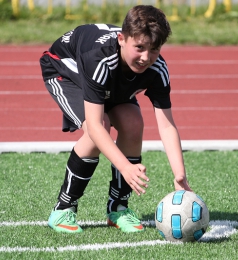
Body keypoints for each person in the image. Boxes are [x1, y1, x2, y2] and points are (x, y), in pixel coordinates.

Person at [39, 4, 192, 234]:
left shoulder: (157, 68)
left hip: (108, 79)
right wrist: (126, 167)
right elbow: (94, 126)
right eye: (139, 47)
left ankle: (118, 207)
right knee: (98, 127)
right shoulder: (100, 59)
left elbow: (167, 125)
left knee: (133, 123)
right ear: (122, 39)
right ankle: (63, 207)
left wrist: (179, 175)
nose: (145, 57)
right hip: (65, 68)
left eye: (154, 50)